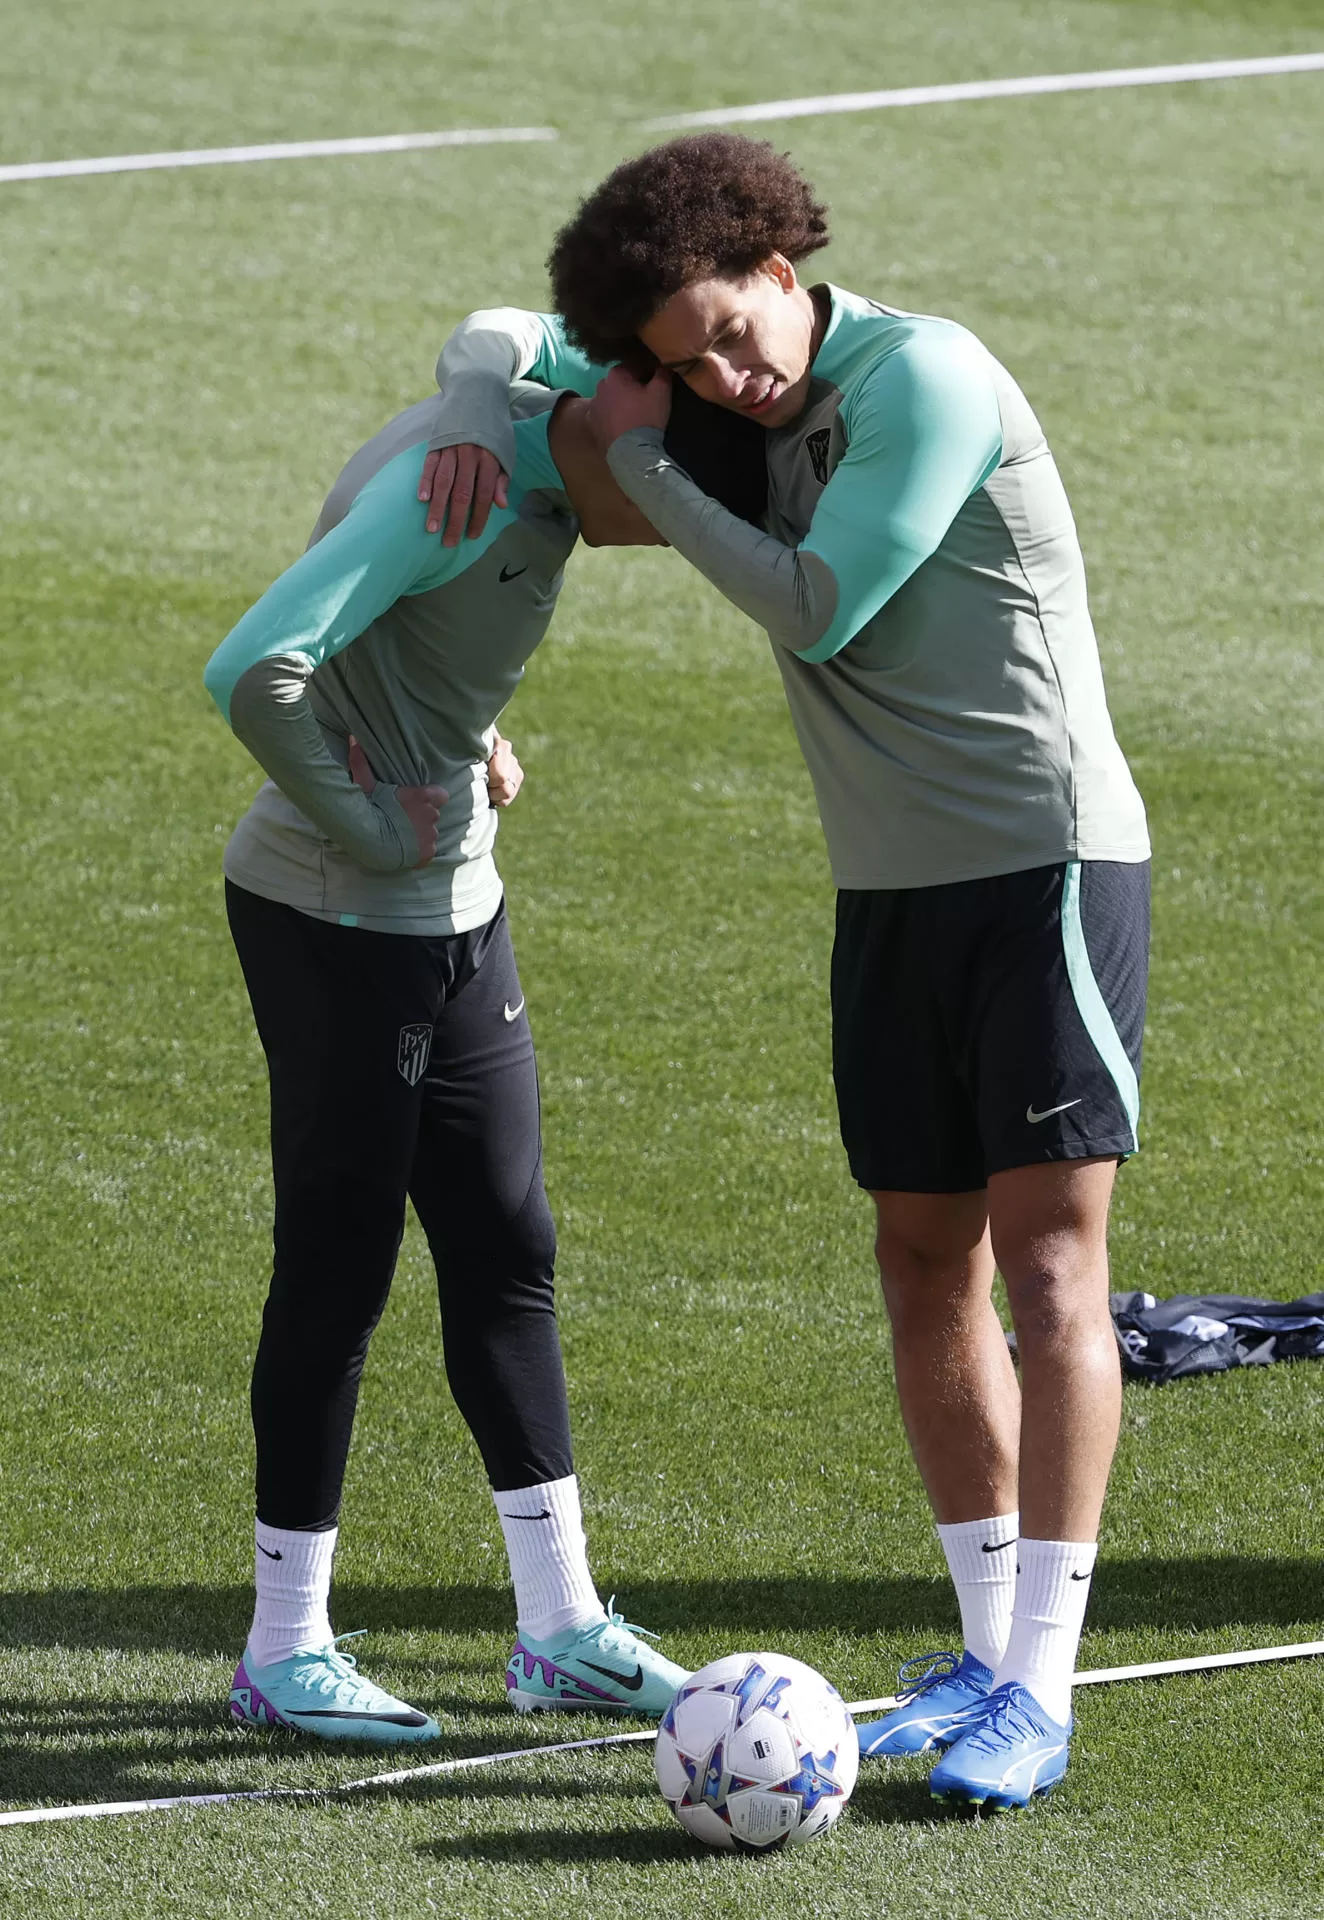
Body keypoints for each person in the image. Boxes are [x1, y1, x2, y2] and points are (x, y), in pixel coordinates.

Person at [421, 133, 1151, 1809]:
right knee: (918, 1259)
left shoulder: (930, 378)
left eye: (733, 334)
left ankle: (1042, 1689)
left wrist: (641, 452)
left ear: (776, 257)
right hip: (890, 888)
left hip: (1043, 864)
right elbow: (492, 341)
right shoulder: (716, 405)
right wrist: (489, 414)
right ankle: (978, 1650)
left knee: (1050, 1274)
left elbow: (820, 603)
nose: (729, 379)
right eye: (681, 365)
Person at [203, 377, 729, 1744]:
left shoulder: (533, 428)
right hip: (334, 915)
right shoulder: (463, 490)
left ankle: (559, 1625)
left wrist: (461, 733)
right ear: (616, 414)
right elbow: (252, 670)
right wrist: (374, 826)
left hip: (460, 916)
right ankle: (282, 1646)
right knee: (340, 1263)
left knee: (507, 1240)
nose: (674, 528)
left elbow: (522, 315)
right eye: (670, 493)